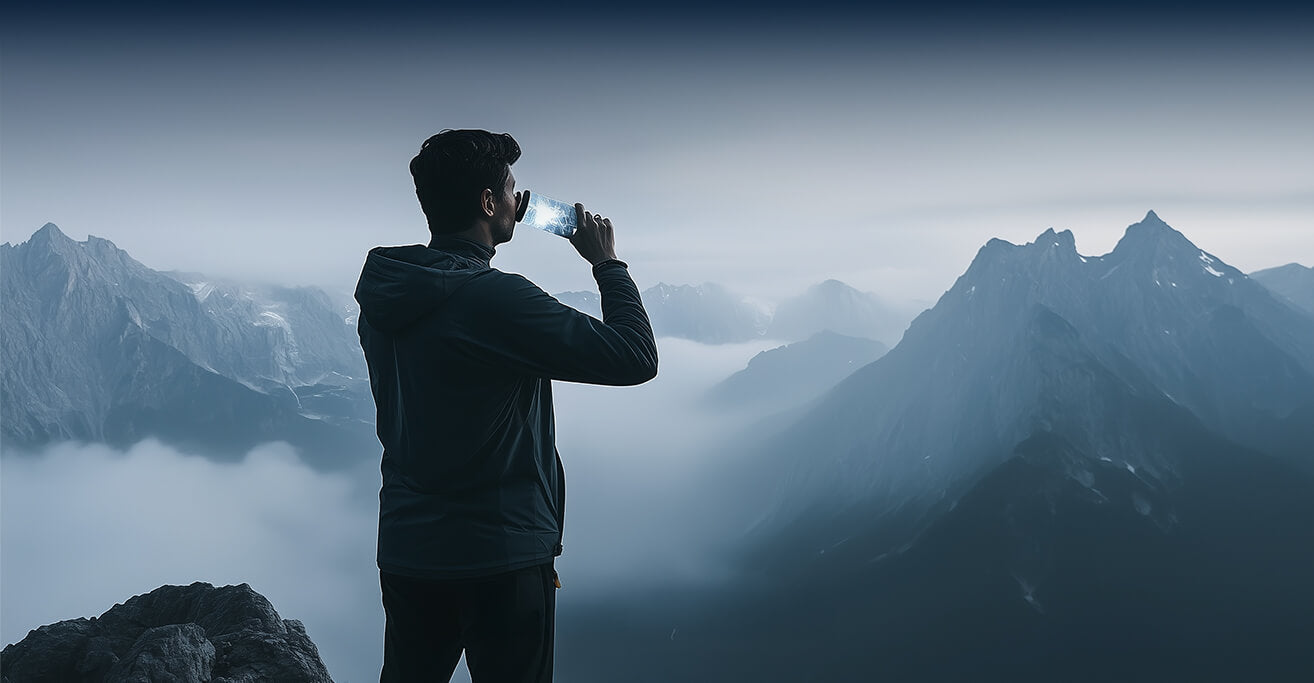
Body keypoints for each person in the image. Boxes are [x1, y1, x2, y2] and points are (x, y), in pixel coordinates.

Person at [353, 129, 658, 682]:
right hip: (501, 555)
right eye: (512, 190)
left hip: (407, 547)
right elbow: (635, 357)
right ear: (488, 202)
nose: (521, 202)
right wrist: (607, 264)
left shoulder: (383, 296)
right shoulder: (495, 299)